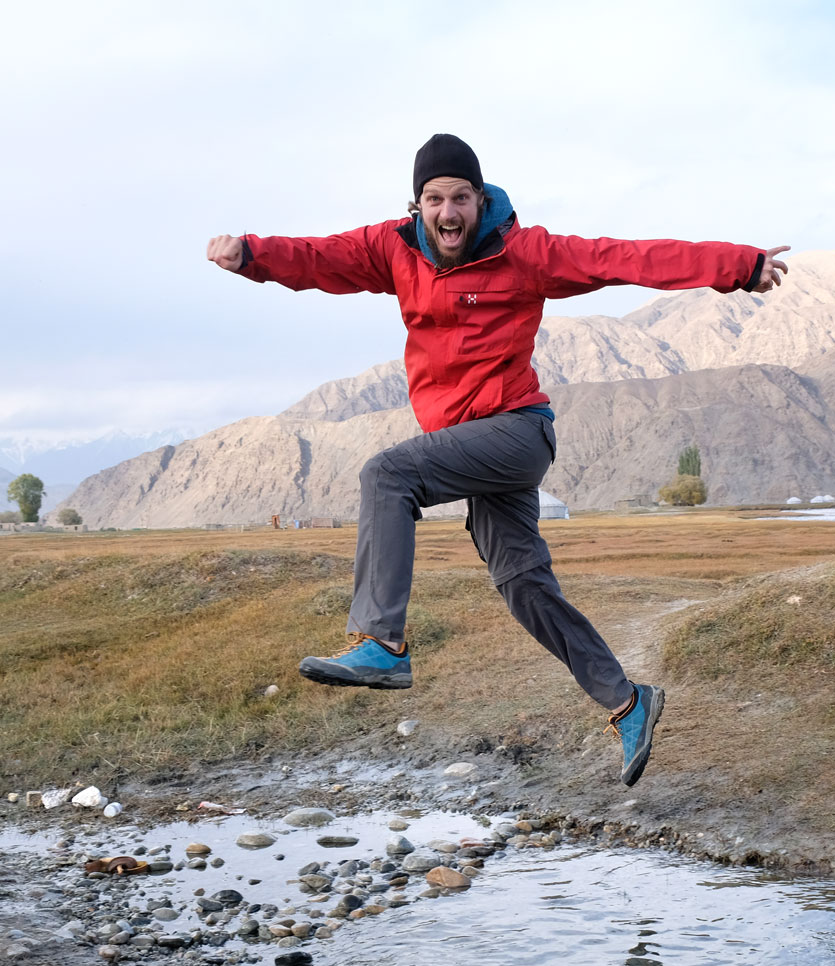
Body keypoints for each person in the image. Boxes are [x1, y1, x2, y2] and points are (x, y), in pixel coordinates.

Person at [206, 134, 789, 787]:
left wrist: (737, 265)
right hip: (473, 448)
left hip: (516, 431)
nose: (448, 213)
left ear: (480, 200)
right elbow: (319, 259)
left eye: (460, 198)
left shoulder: (525, 252)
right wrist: (253, 255)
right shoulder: (392, 248)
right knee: (523, 587)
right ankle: (628, 702)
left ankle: (383, 643)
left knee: (386, 474)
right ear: (417, 204)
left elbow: (623, 258)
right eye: (435, 200)